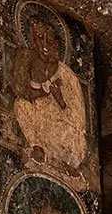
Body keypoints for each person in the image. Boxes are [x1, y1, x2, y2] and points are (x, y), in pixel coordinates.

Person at [9, 14, 87, 168]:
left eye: (50, 40)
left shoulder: (67, 75)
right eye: (39, 38)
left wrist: (60, 100)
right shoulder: (27, 60)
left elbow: (78, 122)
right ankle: (38, 146)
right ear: (32, 40)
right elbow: (21, 91)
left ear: (56, 43)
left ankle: (65, 158)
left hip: (63, 129)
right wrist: (42, 93)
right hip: (39, 122)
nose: (44, 44)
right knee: (20, 105)